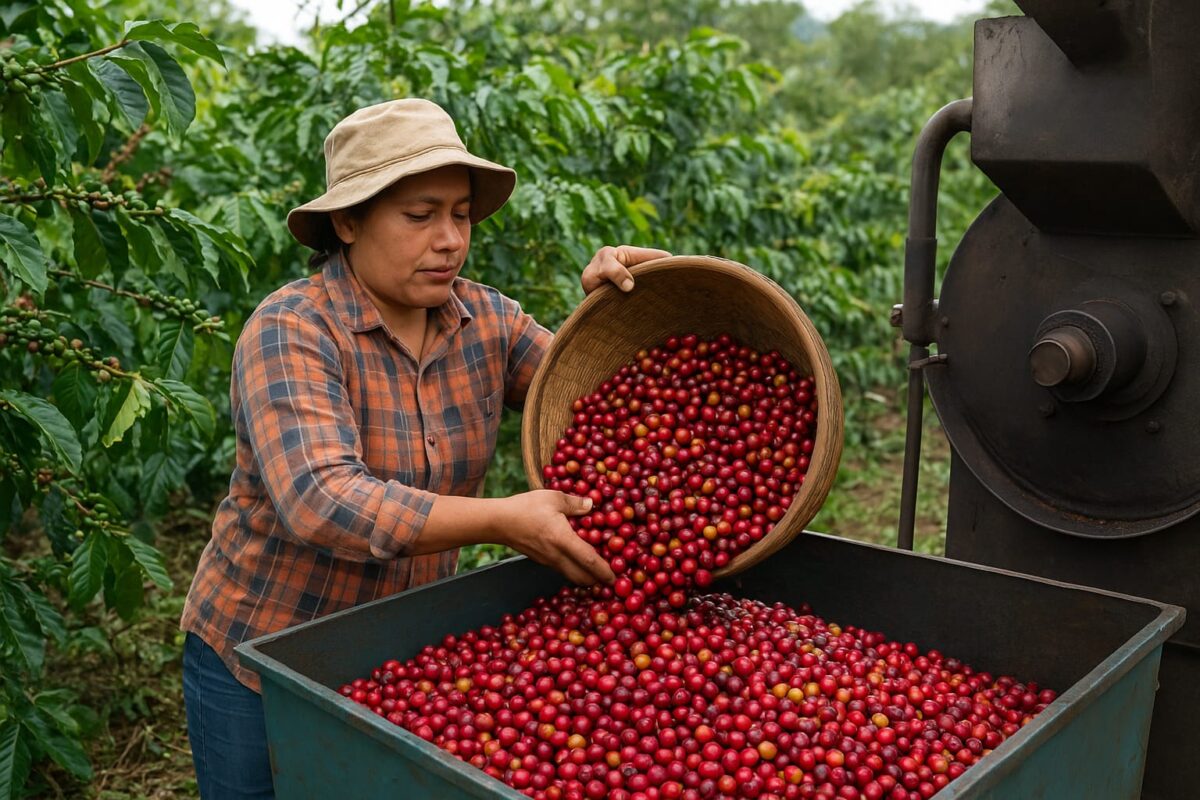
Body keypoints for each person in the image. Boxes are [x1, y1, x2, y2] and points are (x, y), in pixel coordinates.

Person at [179, 98, 670, 799]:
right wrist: (503, 519)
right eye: (420, 216)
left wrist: (624, 308)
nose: (449, 240)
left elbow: (597, 402)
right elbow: (321, 500)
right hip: (264, 654)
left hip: (404, 648)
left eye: (461, 214)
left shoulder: (489, 320)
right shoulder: (292, 330)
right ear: (348, 222)